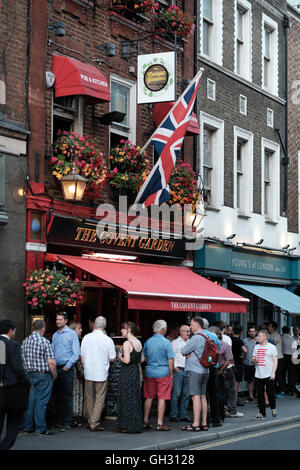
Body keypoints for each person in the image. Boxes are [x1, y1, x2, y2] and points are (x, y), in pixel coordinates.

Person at [21, 319, 57, 435]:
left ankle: (27, 426)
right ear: (43, 328)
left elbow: (22, 360)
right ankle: (41, 428)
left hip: (29, 375)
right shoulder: (44, 341)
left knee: (30, 401)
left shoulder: (25, 341)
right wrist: (54, 374)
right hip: (43, 375)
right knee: (41, 401)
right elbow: (51, 362)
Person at [80, 316, 116, 431]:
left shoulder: (86, 337)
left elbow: (82, 356)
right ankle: (94, 423)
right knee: (100, 398)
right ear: (104, 326)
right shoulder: (108, 340)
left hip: (89, 371)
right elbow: (112, 358)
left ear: (94, 324)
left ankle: (91, 419)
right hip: (101, 372)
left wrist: (86, 366)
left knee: (90, 397)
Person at [0, 319, 31, 450]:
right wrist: (26, 380)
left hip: (2, 387)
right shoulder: (12, 345)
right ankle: (5, 446)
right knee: (15, 420)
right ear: (10, 330)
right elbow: (18, 368)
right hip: (12, 389)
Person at [142, 319, 174, 431]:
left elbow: (143, 358)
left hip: (150, 372)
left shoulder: (148, 341)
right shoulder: (166, 342)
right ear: (163, 329)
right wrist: (171, 374)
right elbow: (170, 360)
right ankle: (160, 424)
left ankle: (145, 420)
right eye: (165, 328)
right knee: (162, 398)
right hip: (163, 372)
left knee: (149, 397)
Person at [51, 311, 80, 431]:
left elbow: (76, 353)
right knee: (57, 396)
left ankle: (67, 422)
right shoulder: (55, 335)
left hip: (66, 369)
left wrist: (67, 366)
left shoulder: (72, 334)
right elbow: (52, 351)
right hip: (56, 369)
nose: (58, 321)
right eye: (57, 319)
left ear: (66, 320)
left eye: (60, 320)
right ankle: (59, 420)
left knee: (67, 396)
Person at [181, 317, 209, 432]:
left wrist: (189, 352)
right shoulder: (207, 336)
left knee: (195, 397)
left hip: (195, 370)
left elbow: (183, 351)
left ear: (197, 325)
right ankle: (204, 423)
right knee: (203, 396)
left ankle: (196, 423)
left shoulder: (196, 337)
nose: (190, 327)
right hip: (205, 370)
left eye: (191, 324)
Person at [213, 321, 243, 419]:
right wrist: (232, 363)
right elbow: (229, 354)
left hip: (215, 368)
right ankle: (232, 410)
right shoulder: (226, 339)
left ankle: (223, 409)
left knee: (220, 391)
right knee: (231, 390)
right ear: (223, 329)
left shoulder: (210, 338)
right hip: (227, 367)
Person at [117, 321, 143, 433]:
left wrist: (119, 356)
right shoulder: (138, 342)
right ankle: (135, 425)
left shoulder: (127, 343)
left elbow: (126, 360)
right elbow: (141, 360)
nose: (121, 331)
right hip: (135, 372)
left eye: (122, 329)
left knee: (126, 398)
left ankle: (127, 426)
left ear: (128, 330)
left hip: (127, 373)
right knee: (134, 399)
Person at [252, 329, 278, 420]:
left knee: (270, 393)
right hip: (258, 373)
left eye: (259, 336)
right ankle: (262, 413)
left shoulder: (272, 347)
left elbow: (275, 361)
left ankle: (273, 408)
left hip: (269, 373)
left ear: (265, 337)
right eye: (257, 336)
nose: (257, 337)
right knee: (260, 394)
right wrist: (254, 360)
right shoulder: (256, 347)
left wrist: (273, 373)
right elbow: (253, 358)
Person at [169, 325, 191, 423]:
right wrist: (174, 368)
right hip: (179, 370)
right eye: (186, 331)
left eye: (189, 331)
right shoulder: (174, 343)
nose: (188, 333)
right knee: (176, 394)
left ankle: (183, 415)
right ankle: (173, 414)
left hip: (189, 370)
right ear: (181, 332)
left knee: (186, 394)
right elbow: (171, 356)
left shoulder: (191, 342)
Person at [215, 328, 234, 422]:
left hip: (219, 372)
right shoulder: (209, 344)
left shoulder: (224, 344)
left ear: (218, 335)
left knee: (220, 394)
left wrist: (221, 370)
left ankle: (220, 415)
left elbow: (229, 359)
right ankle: (214, 415)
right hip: (210, 371)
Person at [69, 321, 84, 427]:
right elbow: (76, 359)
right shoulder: (75, 341)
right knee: (75, 393)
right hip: (74, 371)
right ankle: (75, 416)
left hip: (71, 370)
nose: (81, 330)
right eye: (79, 328)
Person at [267, 321, 285, 398]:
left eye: (269, 326)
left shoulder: (277, 335)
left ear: (273, 327)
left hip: (279, 358)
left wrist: (265, 339)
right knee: (272, 376)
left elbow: (273, 343)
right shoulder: (269, 335)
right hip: (271, 358)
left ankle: (282, 391)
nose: (268, 327)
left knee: (278, 376)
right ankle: (273, 391)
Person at [231, 325, 247, 406]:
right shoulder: (239, 341)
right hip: (238, 362)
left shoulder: (230, 339)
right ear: (241, 332)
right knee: (237, 382)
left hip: (231, 362)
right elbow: (245, 350)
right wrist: (243, 357)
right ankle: (235, 399)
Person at [243, 326, 257, 403]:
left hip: (256, 364)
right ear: (248, 332)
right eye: (250, 331)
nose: (252, 333)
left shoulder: (258, 340)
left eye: (253, 331)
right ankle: (250, 396)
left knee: (258, 381)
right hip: (247, 363)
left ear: (256, 332)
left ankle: (259, 395)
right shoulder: (245, 341)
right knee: (249, 381)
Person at [281, 325, 295, 395]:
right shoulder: (291, 338)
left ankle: (283, 389)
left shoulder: (281, 337)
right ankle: (290, 389)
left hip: (283, 356)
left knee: (283, 373)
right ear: (289, 330)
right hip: (290, 356)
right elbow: (294, 348)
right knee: (291, 374)